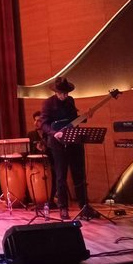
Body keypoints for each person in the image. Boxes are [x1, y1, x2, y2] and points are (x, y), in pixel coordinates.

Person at [39, 77, 97, 220]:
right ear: (56, 92)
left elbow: (73, 120)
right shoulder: (48, 103)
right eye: (61, 93)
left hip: (73, 141)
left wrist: (85, 117)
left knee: (79, 175)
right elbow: (44, 124)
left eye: (66, 93)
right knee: (61, 176)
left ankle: (84, 206)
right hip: (57, 143)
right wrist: (54, 133)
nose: (64, 96)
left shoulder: (70, 101)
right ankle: (63, 207)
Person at [27, 110, 57, 207]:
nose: (36, 123)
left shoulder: (49, 134)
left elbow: (53, 151)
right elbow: (28, 153)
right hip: (35, 165)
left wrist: (45, 149)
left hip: (49, 163)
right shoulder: (30, 135)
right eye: (35, 120)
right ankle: (35, 198)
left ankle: (50, 199)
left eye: (39, 121)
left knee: (55, 171)